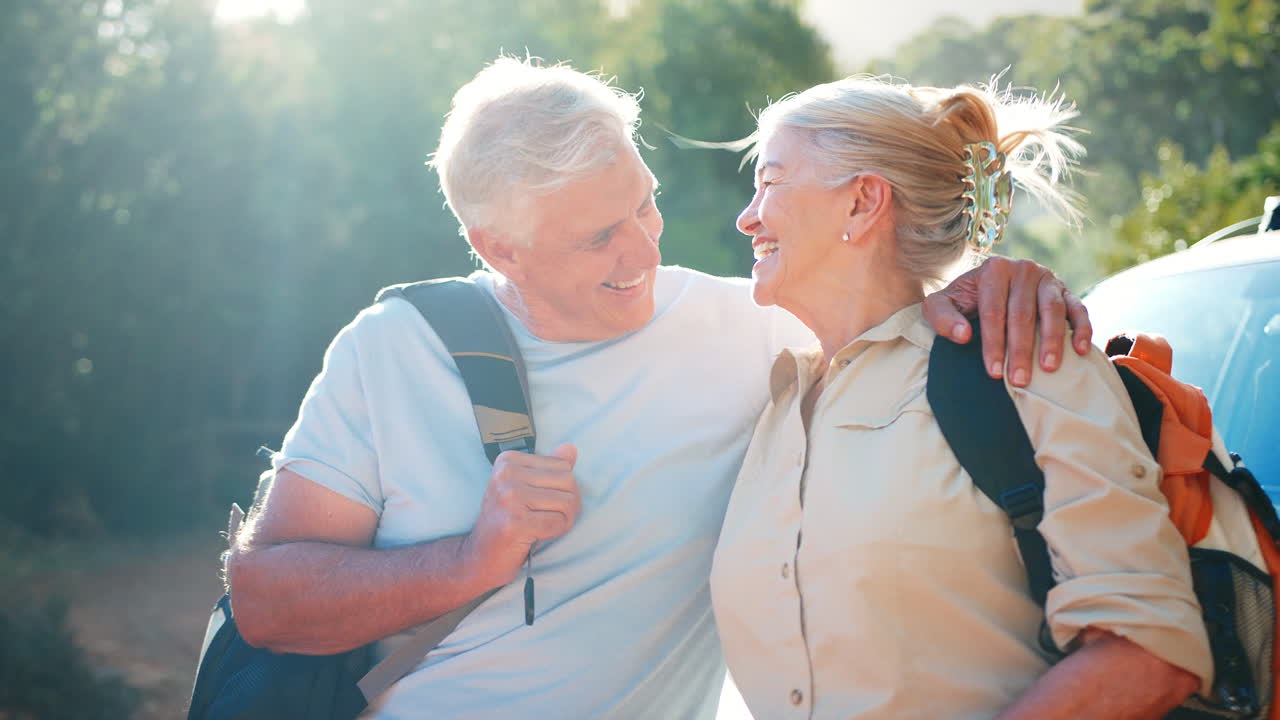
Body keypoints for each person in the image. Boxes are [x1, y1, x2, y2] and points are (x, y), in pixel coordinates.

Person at [226, 58, 1093, 719]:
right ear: (500, 249)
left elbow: (895, 307)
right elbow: (265, 600)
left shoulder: (760, 329)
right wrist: (470, 558)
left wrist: (1003, 279)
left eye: (644, 205)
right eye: (600, 236)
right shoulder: (390, 351)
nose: (643, 254)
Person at [709, 76, 1213, 719]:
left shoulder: (1025, 361)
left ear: (863, 202)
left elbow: (1149, 651)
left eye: (771, 183)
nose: (746, 217)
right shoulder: (773, 400)